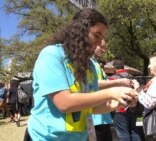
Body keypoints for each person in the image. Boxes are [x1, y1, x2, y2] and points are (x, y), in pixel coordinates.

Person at [26, 8, 138, 141]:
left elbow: (92, 107)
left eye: (102, 37)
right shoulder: (52, 55)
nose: (100, 43)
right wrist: (111, 92)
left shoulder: (89, 65)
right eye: (97, 35)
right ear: (80, 31)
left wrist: (120, 101)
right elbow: (64, 103)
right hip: (45, 137)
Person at [91, 40, 138, 141]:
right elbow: (91, 84)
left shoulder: (96, 64)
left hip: (104, 118)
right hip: (94, 119)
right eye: (101, 47)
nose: (104, 50)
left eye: (105, 47)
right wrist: (119, 82)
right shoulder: (88, 63)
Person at [109, 59, 141, 141]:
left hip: (120, 109)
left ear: (114, 68)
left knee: (123, 133)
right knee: (135, 131)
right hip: (134, 108)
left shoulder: (112, 79)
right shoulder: (132, 77)